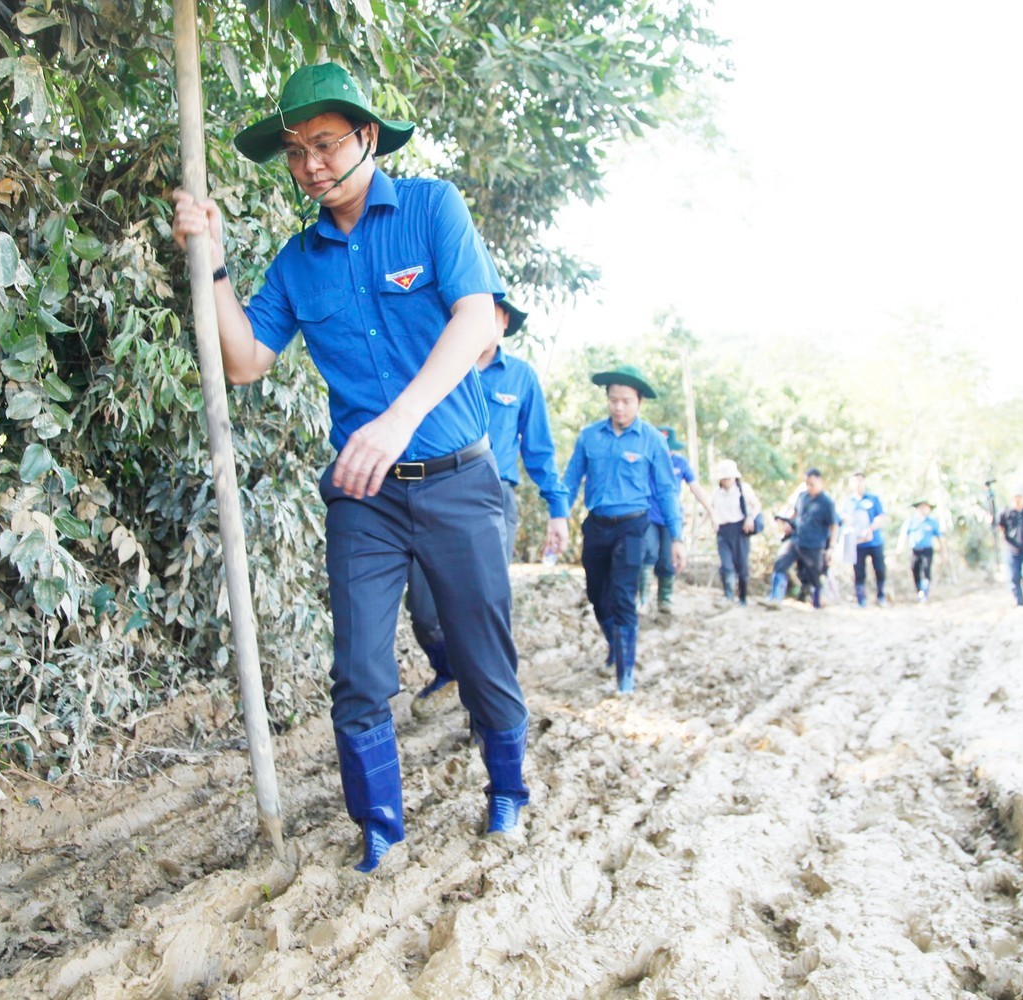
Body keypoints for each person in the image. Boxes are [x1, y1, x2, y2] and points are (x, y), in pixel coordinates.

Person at [171, 62, 531, 871]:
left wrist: (401, 420)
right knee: (360, 671)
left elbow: (477, 318)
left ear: (368, 137)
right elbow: (245, 360)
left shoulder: (434, 208)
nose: (310, 166)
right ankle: (381, 830)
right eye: (295, 152)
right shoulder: (300, 261)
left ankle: (507, 789)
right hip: (364, 499)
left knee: (480, 655)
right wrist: (214, 262)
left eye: (326, 144)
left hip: (460, 481)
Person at [407, 298, 571, 712]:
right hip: (435, 491)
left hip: (493, 498)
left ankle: (489, 708)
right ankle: (450, 671)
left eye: (493, 313)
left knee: (483, 605)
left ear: (504, 322)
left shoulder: (521, 378)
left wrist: (558, 510)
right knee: (425, 610)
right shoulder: (439, 364)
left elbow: (539, 451)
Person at [563, 365, 685, 694]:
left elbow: (666, 490)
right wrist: (558, 515)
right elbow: (571, 479)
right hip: (597, 526)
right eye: (614, 400)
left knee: (622, 597)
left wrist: (677, 536)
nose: (619, 407)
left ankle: (625, 673)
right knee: (597, 597)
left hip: (633, 527)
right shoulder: (590, 436)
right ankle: (614, 646)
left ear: (639, 403)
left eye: (626, 401)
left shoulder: (652, 442)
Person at [638, 427, 715, 615]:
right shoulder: (645, 462)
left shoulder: (681, 464)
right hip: (648, 515)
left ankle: (664, 599)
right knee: (647, 552)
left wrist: (711, 511)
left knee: (667, 559)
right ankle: (643, 598)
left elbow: (695, 488)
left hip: (671, 518)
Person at [764, 468, 835, 608]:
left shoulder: (827, 503)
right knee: (780, 564)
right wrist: (787, 523)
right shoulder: (802, 497)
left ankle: (817, 602)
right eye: (807, 483)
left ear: (820, 482)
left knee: (814, 576)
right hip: (796, 540)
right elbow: (796, 514)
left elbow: (834, 526)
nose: (809, 487)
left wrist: (831, 547)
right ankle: (775, 598)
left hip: (814, 545)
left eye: (812, 484)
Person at [711, 458, 762, 604]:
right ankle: (728, 595)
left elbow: (757, 505)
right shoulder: (716, 493)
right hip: (723, 531)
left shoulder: (744, 490)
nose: (726, 481)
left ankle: (743, 597)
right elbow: (710, 509)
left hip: (739, 529)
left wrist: (750, 517)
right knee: (726, 565)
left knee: (742, 566)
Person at [845, 471, 888, 607]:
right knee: (859, 572)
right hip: (857, 544)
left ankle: (881, 597)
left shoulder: (873, 499)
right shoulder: (848, 502)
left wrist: (870, 528)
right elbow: (844, 520)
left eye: (860, 480)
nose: (858, 483)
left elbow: (881, 517)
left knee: (880, 570)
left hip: (875, 542)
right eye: (855, 481)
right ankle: (861, 599)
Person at [900, 499, 945, 601]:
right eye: (921, 507)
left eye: (925, 507)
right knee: (914, 569)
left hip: (927, 550)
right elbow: (904, 534)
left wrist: (943, 552)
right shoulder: (911, 521)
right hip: (915, 550)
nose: (923, 509)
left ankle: (925, 592)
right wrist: (900, 547)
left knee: (926, 569)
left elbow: (940, 537)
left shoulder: (932, 522)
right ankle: (919, 590)